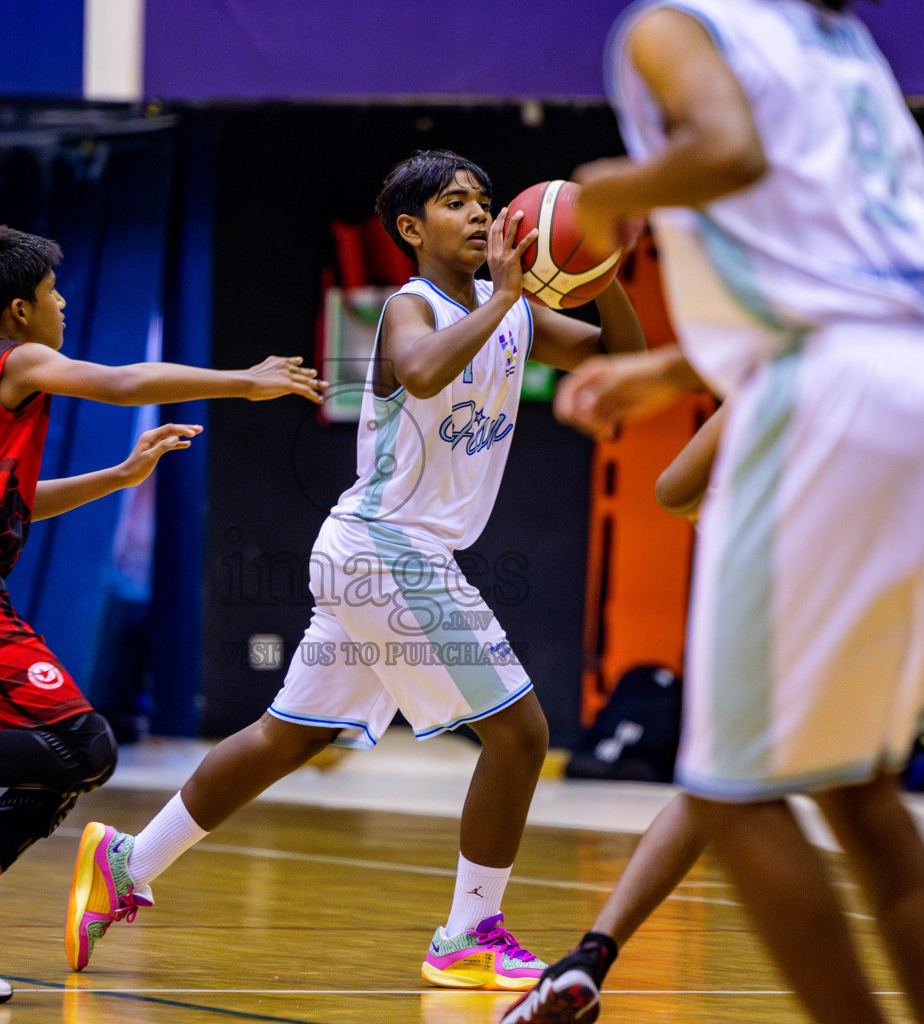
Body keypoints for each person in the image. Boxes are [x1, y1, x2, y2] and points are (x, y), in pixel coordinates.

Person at [508, 1, 924, 1021]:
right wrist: (671, 365)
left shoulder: (676, 27)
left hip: (836, 397)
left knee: (732, 795)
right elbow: (838, 266)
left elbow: (727, 155)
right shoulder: (842, 43)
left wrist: (610, 192)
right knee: (860, 794)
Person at [64, 149, 647, 990]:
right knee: (521, 735)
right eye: (456, 203)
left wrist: (602, 267)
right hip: (387, 551)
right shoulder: (408, 308)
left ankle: (128, 862)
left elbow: (619, 363)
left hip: (376, 555)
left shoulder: (505, 308)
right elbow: (420, 368)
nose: (481, 214)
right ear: (412, 229)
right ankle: (467, 935)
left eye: (486, 200)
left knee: (284, 737)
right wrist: (517, 296)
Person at [505, 333, 924, 1024]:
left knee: (725, 782)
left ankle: (593, 956)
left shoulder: (787, 342)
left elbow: (674, 488)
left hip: (844, 583)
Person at [0, 225, 324, 1003]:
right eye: (53, 293)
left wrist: (119, 475)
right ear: (19, 311)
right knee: (86, 741)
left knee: (57, 773)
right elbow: (121, 382)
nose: (65, 303)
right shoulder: (18, 361)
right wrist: (243, 381)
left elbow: (8, 503)